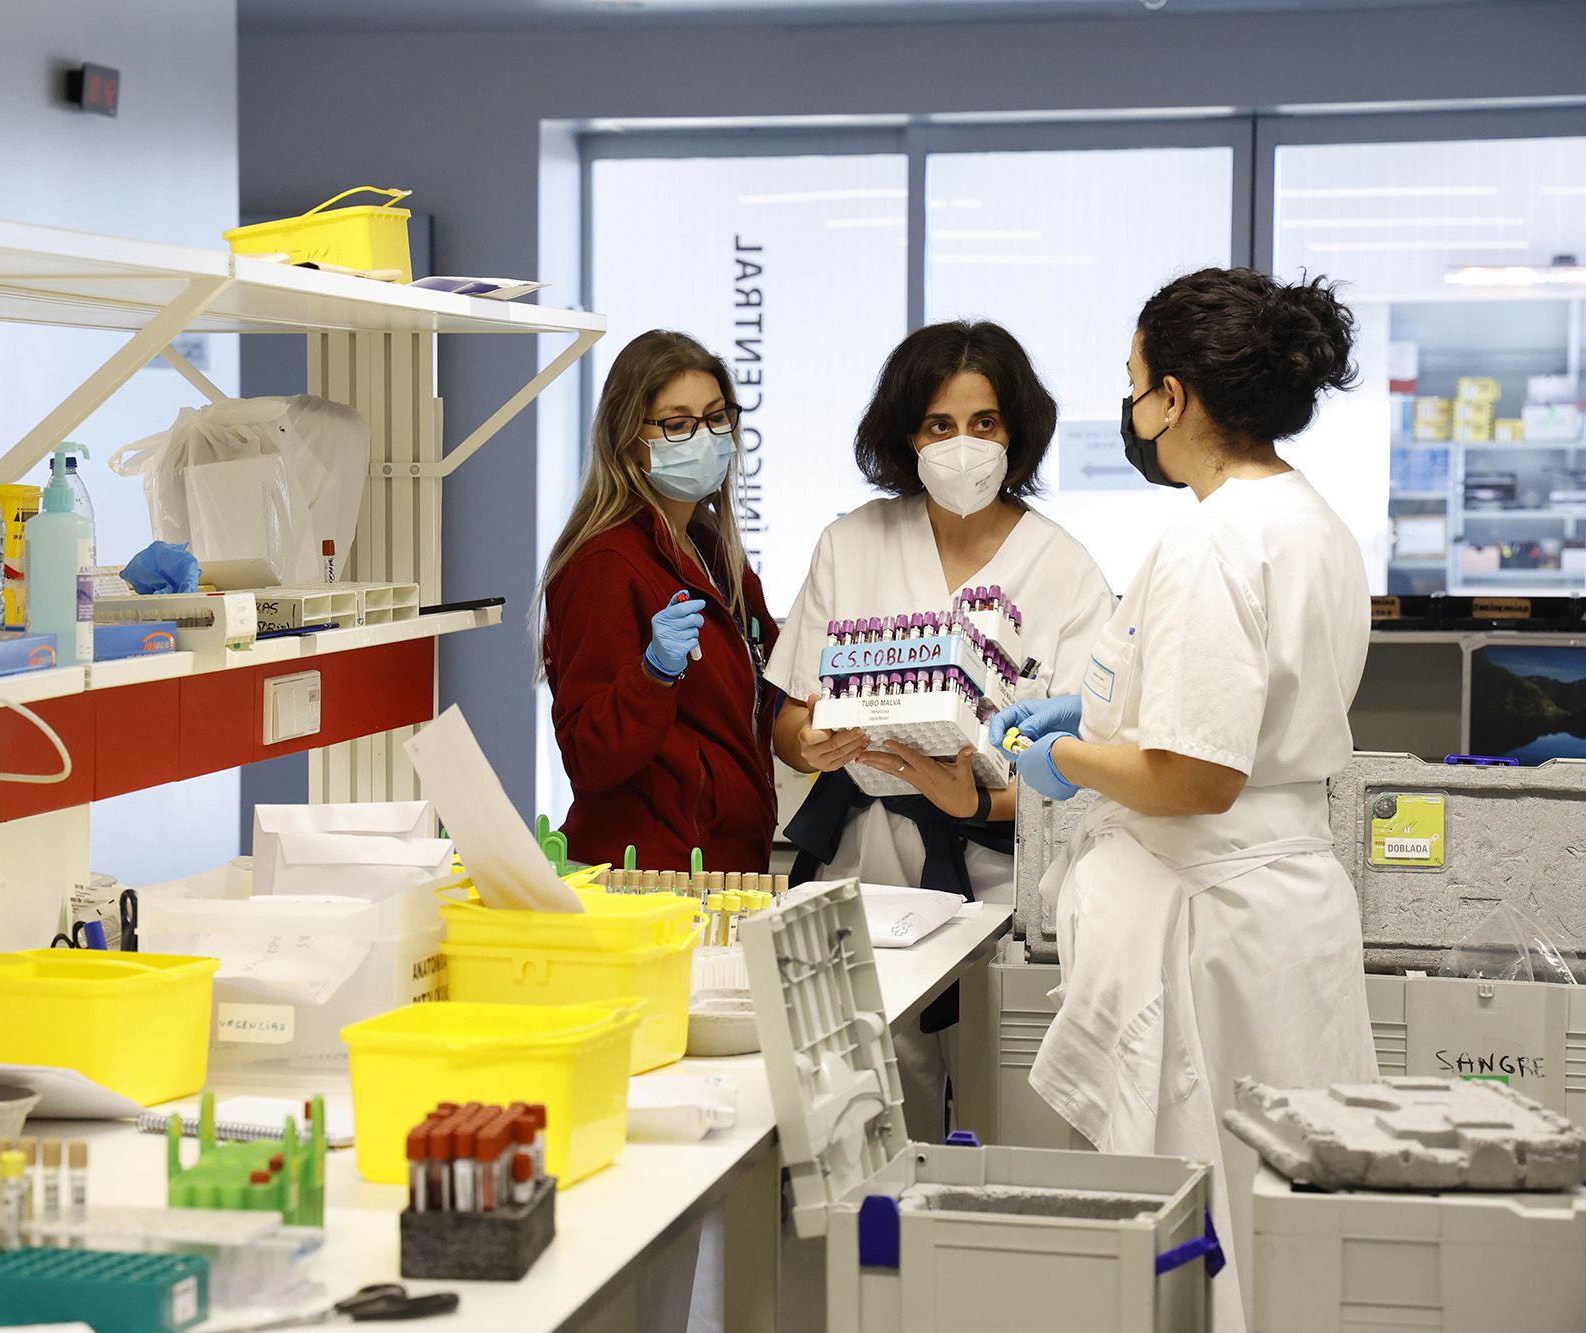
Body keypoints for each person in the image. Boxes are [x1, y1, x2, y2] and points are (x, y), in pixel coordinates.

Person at [994, 267, 1375, 1333]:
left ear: (1176, 396)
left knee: (1212, 1245)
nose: (1129, 412)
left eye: (1131, 385)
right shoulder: (1306, 518)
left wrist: (1067, 759)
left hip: (1212, 928)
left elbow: (1198, 777)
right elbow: (1235, 715)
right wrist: (1101, 710)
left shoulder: (1212, 539)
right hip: (1278, 913)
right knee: (1280, 1232)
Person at [766, 321, 1113, 1139]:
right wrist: (806, 741)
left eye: (984, 423)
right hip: (862, 876)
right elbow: (786, 717)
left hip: (1005, 885)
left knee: (1012, 1133)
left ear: (1016, 432)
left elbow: (1083, 762)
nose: (963, 446)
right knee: (868, 1134)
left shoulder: (1064, 570)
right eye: (939, 425)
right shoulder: (852, 543)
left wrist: (976, 803)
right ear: (906, 435)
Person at [538, 329, 778, 874]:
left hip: (721, 860)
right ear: (628, 439)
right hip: (648, 873)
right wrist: (653, 675)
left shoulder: (714, 549)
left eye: (718, 418)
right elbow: (588, 755)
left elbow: (769, 675)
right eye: (677, 424)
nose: (705, 437)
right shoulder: (605, 563)